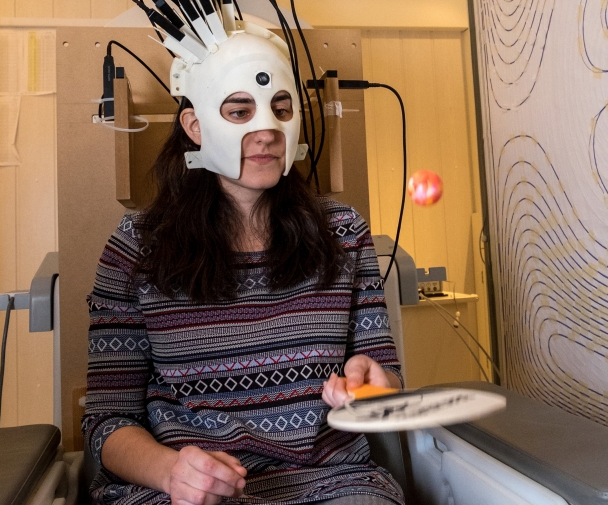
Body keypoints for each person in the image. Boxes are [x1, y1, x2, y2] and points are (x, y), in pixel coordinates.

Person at [81, 28, 404, 505]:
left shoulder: (343, 232)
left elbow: (388, 381)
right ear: (195, 126)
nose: (267, 131)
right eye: (238, 111)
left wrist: (373, 386)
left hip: (331, 484)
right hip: (186, 492)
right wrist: (173, 472)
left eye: (280, 107)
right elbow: (107, 420)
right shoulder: (138, 247)